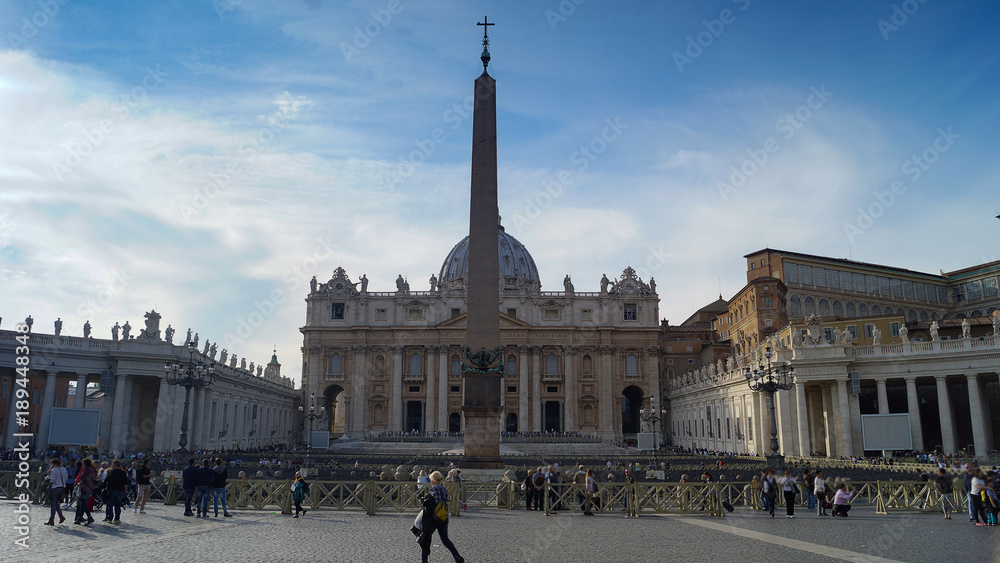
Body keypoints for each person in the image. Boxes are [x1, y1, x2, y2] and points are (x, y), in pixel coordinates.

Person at [417, 471, 465, 563]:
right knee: (445, 539)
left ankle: (424, 560)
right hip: (443, 517)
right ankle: (457, 556)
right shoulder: (444, 488)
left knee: (426, 538)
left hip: (434, 518)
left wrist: (425, 501)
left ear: (433, 480)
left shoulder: (435, 488)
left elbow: (436, 502)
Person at [45, 458, 68, 526]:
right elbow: (66, 478)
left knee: (53, 504)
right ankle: (61, 516)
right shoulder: (63, 469)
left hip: (55, 487)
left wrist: (48, 480)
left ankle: (51, 519)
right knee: (56, 504)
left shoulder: (54, 470)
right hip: (62, 488)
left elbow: (53, 480)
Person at [74, 458, 96, 526]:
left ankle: (89, 517)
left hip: (84, 488)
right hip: (89, 488)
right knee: (83, 503)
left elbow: (84, 478)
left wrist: (80, 483)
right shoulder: (92, 470)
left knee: (82, 504)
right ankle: (79, 518)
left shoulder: (86, 470)